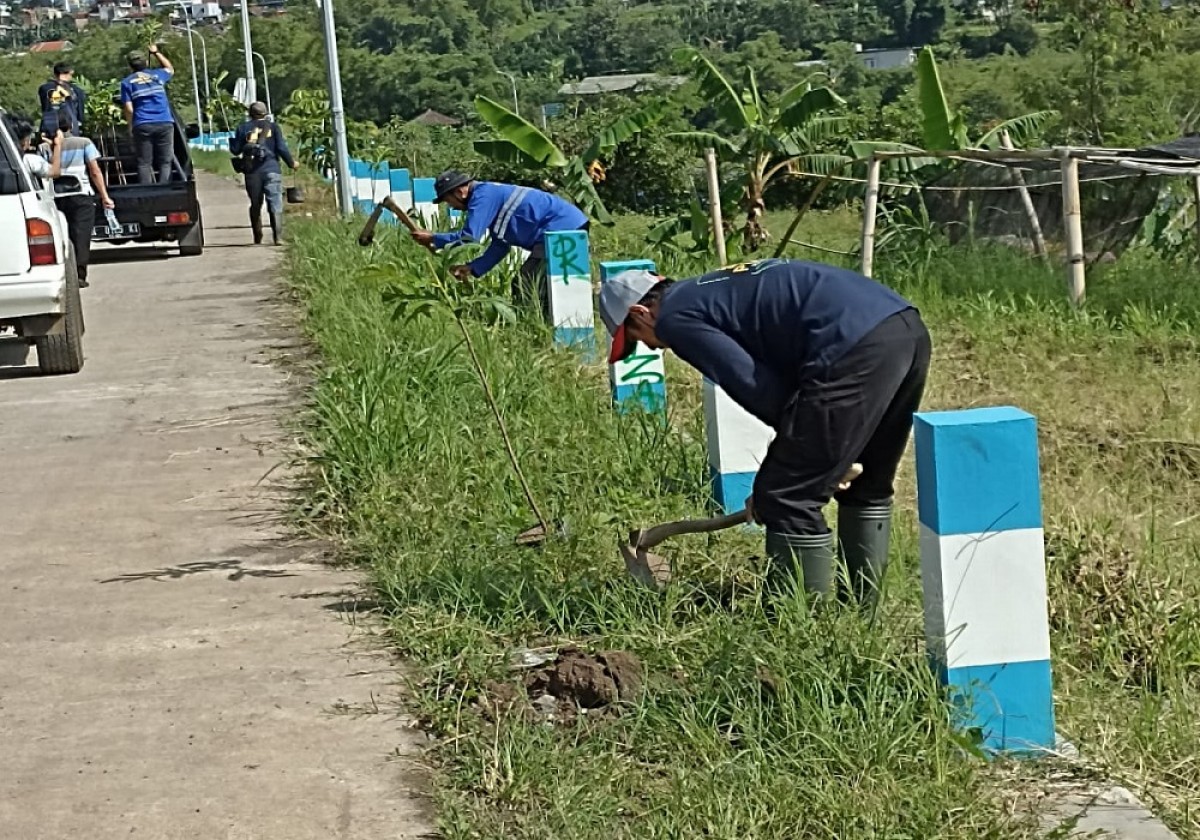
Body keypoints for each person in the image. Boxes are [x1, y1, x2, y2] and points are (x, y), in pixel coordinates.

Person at [599, 258, 931, 608]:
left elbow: (755, 387)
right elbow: (791, 391)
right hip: (904, 329)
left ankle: (802, 633)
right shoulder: (707, 293)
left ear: (640, 313)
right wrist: (806, 454)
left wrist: (783, 474)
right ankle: (863, 618)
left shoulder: (675, 319)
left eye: (636, 339)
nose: (651, 348)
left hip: (852, 347)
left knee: (787, 498)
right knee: (868, 483)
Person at [410, 171, 589, 316]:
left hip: (561, 228)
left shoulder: (483, 197)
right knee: (535, 282)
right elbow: (500, 245)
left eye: (448, 200)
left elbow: (469, 238)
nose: (451, 206)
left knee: (528, 282)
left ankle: (532, 324)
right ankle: (539, 322)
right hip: (562, 227)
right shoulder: (489, 197)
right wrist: (472, 267)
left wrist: (434, 238)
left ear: (459, 192)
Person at [41, 109, 115, 288]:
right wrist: (105, 196)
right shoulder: (84, 143)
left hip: (56, 198)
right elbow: (94, 170)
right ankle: (79, 276)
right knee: (81, 236)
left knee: (63, 237)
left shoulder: (43, 148)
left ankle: (64, 275)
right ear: (71, 125)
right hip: (81, 196)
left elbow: (45, 173)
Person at [229, 101, 298, 246]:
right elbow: (281, 148)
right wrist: (292, 163)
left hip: (252, 172)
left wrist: (232, 140)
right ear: (266, 114)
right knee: (275, 202)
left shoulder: (243, 128)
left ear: (250, 113)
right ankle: (278, 237)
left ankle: (257, 235)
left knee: (255, 203)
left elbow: (235, 150)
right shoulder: (273, 127)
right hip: (271, 169)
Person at [120, 44, 175, 185]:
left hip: (142, 124)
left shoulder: (127, 83)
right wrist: (156, 53)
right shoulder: (157, 76)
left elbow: (128, 108)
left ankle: (148, 191)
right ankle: (164, 188)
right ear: (145, 62)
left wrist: (131, 126)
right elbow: (170, 69)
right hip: (164, 122)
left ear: (130, 66)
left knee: (144, 162)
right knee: (165, 160)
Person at [5, 113, 62, 182]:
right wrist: (57, 145)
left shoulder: (5, 159)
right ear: (24, 140)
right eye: (29, 137)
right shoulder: (29, 161)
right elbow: (55, 172)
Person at [38, 61, 87, 138]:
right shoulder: (77, 91)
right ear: (69, 73)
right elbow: (80, 114)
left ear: (55, 74)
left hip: (50, 128)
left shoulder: (44, 88)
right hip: (69, 128)